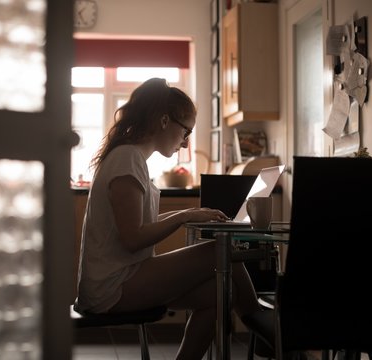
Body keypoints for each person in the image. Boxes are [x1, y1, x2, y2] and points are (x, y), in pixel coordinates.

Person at [74, 78, 260, 359]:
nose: (185, 142)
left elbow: (139, 221)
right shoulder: (128, 159)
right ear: (164, 121)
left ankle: (259, 326)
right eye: (186, 131)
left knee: (221, 294)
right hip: (111, 287)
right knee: (221, 250)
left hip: (122, 278)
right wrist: (184, 215)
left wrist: (188, 215)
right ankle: (263, 327)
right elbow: (133, 238)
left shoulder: (130, 157)